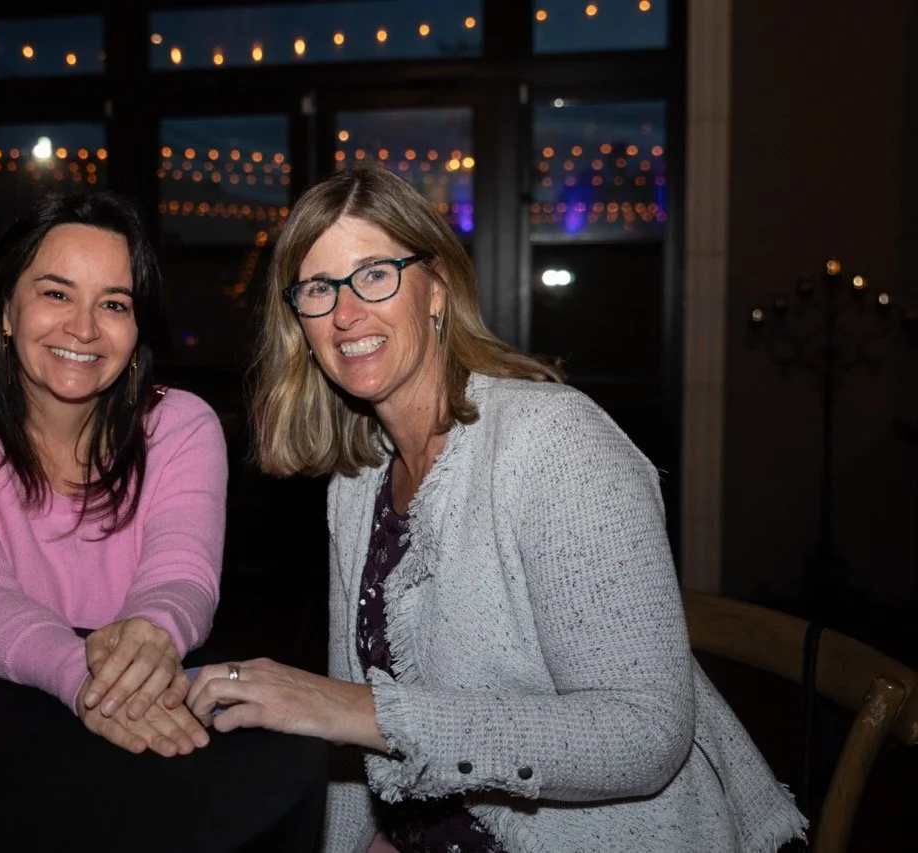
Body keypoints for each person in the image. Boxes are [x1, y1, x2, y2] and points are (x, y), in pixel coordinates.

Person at [187, 164, 807, 852]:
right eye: (318, 288)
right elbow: (352, 750)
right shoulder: (358, 480)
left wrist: (358, 708)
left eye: (374, 275)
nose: (345, 312)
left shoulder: (555, 442)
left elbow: (647, 733)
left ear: (437, 288)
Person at [0, 190, 227, 758]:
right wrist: (87, 681)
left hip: (125, 706)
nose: (84, 328)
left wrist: (152, 634)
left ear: (138, 330)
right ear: (5, 312)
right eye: (56, 294)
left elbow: (182, 574)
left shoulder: (180, 426)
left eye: (114, 304)